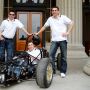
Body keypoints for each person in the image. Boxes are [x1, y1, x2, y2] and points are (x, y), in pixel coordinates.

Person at [36, 6, 74, 77]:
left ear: (58, 11)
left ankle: (63, 71)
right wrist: (38, 33)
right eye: (52, 10)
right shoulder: (50, 19)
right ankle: (53, 70)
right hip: (54, 40)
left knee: (64, 57)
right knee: (51, 56)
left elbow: (72, 22)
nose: (54, 11)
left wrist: (68, 32)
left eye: (55, 10)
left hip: (63, 40)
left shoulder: (63, 17)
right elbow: (44, 27)